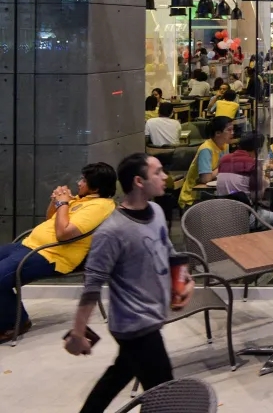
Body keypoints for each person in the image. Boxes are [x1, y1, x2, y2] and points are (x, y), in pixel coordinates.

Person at [66, 153, 194, 413]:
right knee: (165, 396)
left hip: (151, 315)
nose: (165, 177)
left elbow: (168, 252)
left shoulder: (156, 211)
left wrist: (184, 281)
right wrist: (78, 334)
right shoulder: (111, 231)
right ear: (138, 181)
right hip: (135, 324)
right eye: (157, 172)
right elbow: (92, 286)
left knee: (119, 374)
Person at [0, 163, 117, 343]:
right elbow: (51, 219)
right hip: (29, 245)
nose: (79, 183)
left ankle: (16, 322)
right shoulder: (82, 199)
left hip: (52, 255)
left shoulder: (99, 206)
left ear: (96, 188)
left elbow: (63, 234)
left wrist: (63, 203)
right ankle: (8, 314)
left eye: (84, 180)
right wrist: (56, 201)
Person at [217, 133, 273, 228]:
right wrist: (264, 182)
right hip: (244, 217)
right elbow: (256, 196)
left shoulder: (223, 159)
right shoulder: (253, 164)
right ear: (257, 149)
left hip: (221, 214)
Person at [178, 116, 233, 209]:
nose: (232, 133)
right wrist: (222, 167)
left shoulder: (225, 145)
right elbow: (205, 179)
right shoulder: (206, 149)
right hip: (194, 199)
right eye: (229, 130)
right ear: (218, 133)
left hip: (211, 194)